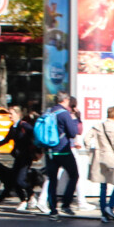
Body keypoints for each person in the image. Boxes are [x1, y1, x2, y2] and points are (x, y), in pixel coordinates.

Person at [0, 106, 39, 209]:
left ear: (18, 115)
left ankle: (31, 195)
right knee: (14, 180)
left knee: (20, 180)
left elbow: (35, 135)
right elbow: (5, 140)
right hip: (18, 157)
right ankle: (23, 201)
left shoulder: (24, 126)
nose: (9, 116)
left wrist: (38, 149)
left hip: (26, 157)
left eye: (11, 114)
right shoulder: (13, 128)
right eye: (9, 114)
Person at [42, 91, 80, 220]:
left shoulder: (48, 112)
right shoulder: (64, 114)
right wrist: (74, 119)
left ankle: (53, 210)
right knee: (74, 175)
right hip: (63, 151)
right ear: (65, 100)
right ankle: (66, 204)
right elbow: (73, 133)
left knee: (52, 180)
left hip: (50, 152)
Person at [87, 105, 114, 222]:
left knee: (103, 186)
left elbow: (86, 138)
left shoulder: (98, 126)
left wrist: (91, 149)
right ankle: (110, 206)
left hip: (99, 158)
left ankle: (103, 213)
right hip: (112, 158)